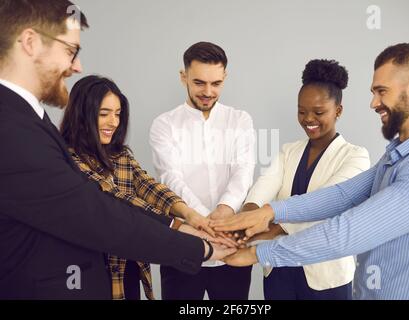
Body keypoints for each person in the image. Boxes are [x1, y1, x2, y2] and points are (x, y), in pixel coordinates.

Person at [0, 0, 235, 300]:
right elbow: (100, 210)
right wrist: (200, 245)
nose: (77, 66)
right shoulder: (12, 128)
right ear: (30, 42)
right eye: (70, 51)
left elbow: (145, 188)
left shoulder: (30, 118)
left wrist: (188, 221)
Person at [212, 43, 409, 300]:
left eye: (382, 91)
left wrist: (257, 253)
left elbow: (346, 233)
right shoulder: (400, 153)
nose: (373, 102)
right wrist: (268, 212)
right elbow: (342, 195)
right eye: (373, 92)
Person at [59, 75, 236, 300]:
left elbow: (148, 186)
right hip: (90, 270)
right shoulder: (68, 161)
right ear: (81, 114)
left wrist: (191, 215)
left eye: (118, 114)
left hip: (128, 264)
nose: (113, 122)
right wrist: (183, 228)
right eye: (104, 114)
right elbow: (117, 201)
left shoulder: (120, 155)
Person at [242, 59, 370, 300]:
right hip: (280, 270)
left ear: (338, 111)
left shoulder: (355, 156)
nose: (308, 119)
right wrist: (247, 215)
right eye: (302, 111)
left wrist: (269, 230)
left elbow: (326, 204)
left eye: (319, 112)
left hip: (326, 273)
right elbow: (264, 185)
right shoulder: (288, 151)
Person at [150, 42, 255, 300]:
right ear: (183, 76)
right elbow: (171, 179)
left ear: (225, 77)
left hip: (232, 247)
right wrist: (207, 224)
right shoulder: (164, 125)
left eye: (216, 83)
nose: (208, 91)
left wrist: (224, 211)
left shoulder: (240, 120)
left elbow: (243, 171)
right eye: (199, 83)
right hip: (182, 247)